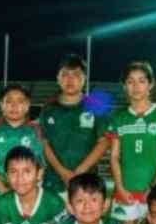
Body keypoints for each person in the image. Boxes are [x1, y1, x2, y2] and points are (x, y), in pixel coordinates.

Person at [105, 61, 156, 224]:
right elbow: (114, 157)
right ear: (124, 86)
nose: (136, 86)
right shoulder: (118, 118)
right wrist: (120, 188)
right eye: (130, 81)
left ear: (151, 84)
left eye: (141, 81)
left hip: (153, 191)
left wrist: (154, 187)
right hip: (125, 191)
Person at [38, 54, 109, 200]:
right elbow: (44, 142)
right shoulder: (48, 108)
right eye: (64, 75)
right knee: (54, 223)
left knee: (85, 221)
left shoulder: (95, 106)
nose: (70, 80)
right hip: (54, 181)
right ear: (57, 78)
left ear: (84, 79)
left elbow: (104, 142)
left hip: (87, 181)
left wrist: (80, 172)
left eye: (76, 75)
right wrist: (62, 171)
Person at [0, 83, 45, 224]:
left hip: (26, 198)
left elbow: (39, 165)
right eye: (9, 101)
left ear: (27, 106)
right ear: (1, 105)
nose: (14, 106)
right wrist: (2, 189)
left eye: (20, 101)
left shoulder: (34, 131)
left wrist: (29, 192)